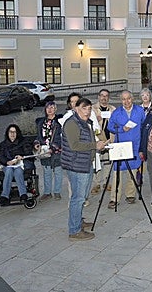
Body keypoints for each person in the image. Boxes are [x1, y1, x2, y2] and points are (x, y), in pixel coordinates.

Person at [61, 97, 107, 241]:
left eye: (89, 109)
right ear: (76, 109)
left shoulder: (86, 122)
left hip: (86, 163)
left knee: (83, 196)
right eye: (83, 108)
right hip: (76, 166)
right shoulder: (72, 124)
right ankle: (74, 231)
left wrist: (98, 143)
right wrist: (95, 146)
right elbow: (75, 145)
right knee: (77, 198)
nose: (87, 111)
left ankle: (78, 221)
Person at [107, 90, 145, 208]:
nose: (126, 101)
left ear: (132, 98)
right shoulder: (117, 112)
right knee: (117, 173)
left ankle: (130, 194)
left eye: (128, 98)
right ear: (121, 100)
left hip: (135, 145)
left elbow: (144, 125)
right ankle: (114, 198)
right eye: (123, 99)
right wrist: (122, 129)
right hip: (121, 145)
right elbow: (110, 126)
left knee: (133, 171)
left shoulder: (139, 111)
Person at [0, 124, 34, 204]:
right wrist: (7, 162)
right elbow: (0, 156)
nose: (12, 134)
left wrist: (22, 156)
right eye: (11, 132)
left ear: (18, 133)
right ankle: (5, 195)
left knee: (18, 171)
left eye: (14, 132)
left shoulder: (23, 142)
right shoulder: (3, 144)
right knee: (9, 170)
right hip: (8, 165)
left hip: (20, 164)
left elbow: (29, 153)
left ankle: (23, 194)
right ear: (7, 133)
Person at [35, 101, 63, 200]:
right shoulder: (41, 122)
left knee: (58, 171)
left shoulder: (60, 121)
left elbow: (61, 137)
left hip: (56, 150)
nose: (50, 110)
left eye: (52, 107)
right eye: (48, 108)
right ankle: (47, 192)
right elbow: (38, 136)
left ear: (55, 109)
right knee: (46, 171)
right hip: (44, 151)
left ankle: (57, 191)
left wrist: (53, 147)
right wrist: (37, 144)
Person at [91, 89, 116, 194]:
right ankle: (96, 184)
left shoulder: (113, 109)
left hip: (109, 139)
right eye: (102, 95)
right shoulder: (92, 109)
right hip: (97, 139)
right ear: (98, 96)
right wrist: (96, 119)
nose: (104, 98)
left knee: (107, 162)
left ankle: (106, 182)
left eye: (106, 96)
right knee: (96, 162)